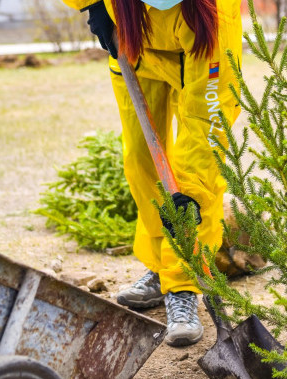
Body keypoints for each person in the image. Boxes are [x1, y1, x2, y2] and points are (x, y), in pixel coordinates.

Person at [62, 0, 243, 346]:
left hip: (200, 51)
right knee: (140, 162)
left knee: (195, 180)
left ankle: (184, 282)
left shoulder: (216, 15)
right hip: (130, 36)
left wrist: (187, 197)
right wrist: (92, 5)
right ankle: (161, 268)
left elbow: (206, 134)